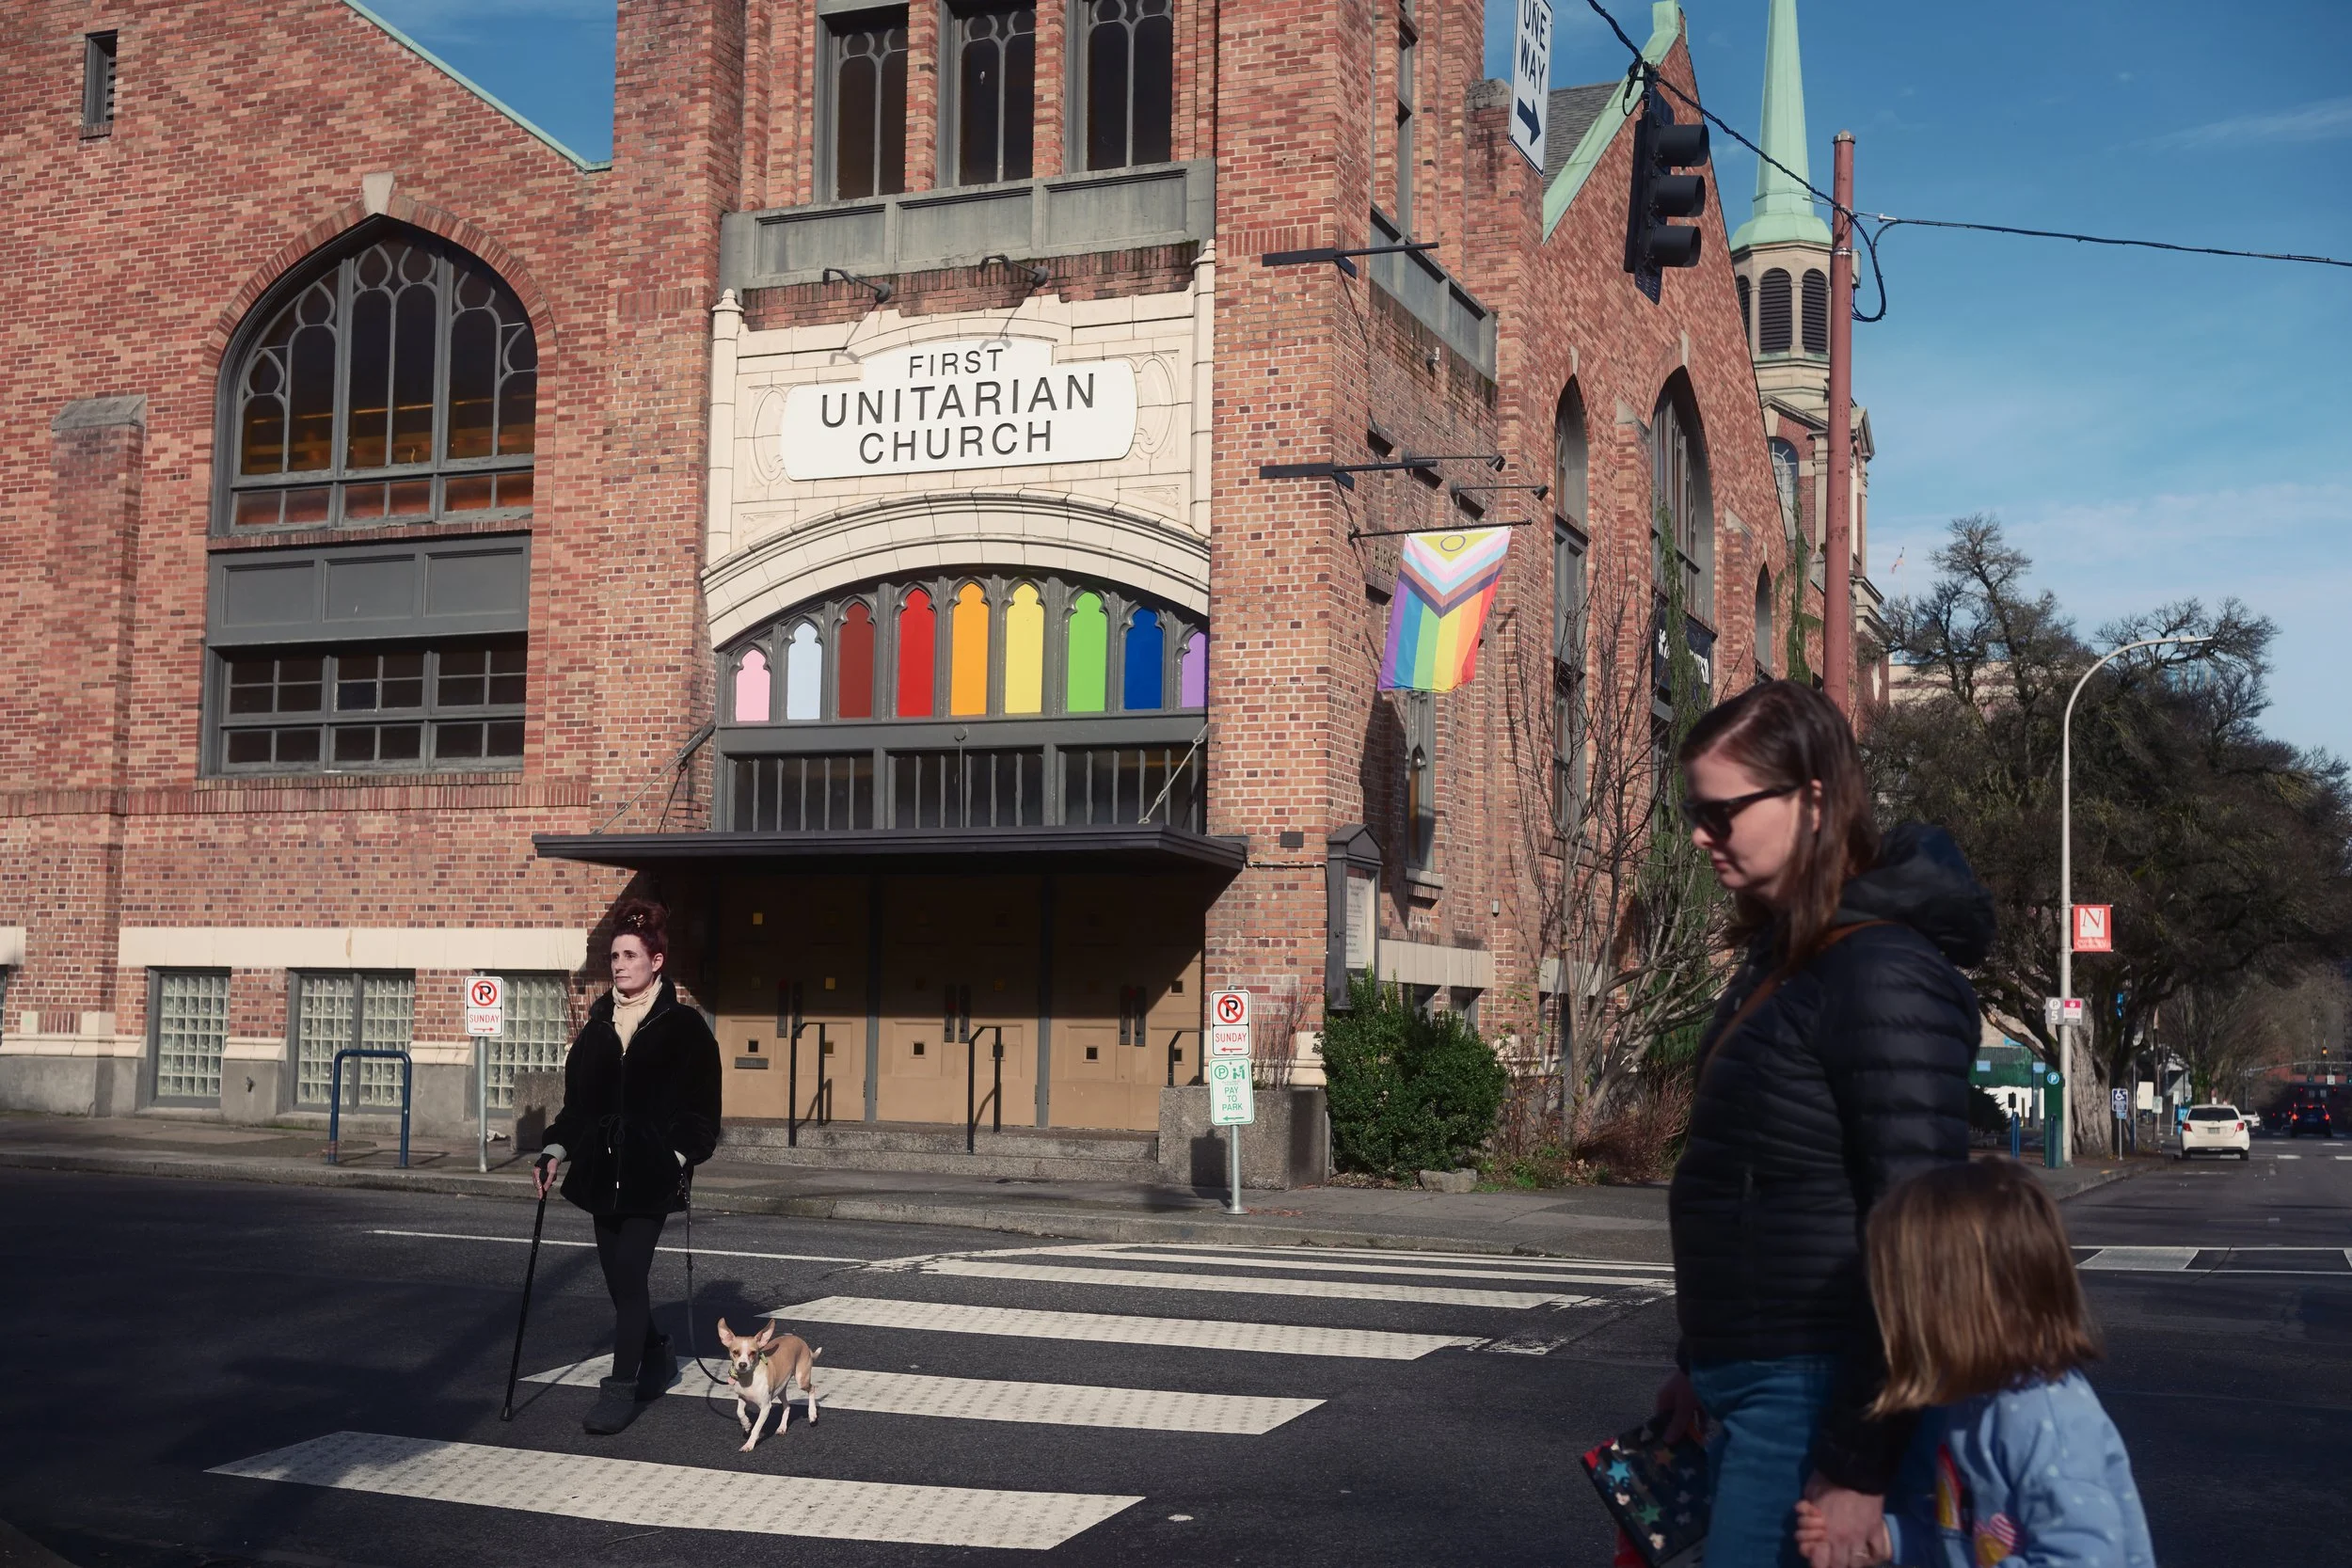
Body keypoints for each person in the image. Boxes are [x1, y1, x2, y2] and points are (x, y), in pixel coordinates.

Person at [1656, 680, 1994, 1568]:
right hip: (1753, 1378)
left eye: (1721, 812)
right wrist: (1697, 1360)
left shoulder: (1879, 970)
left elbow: (1919, 1232)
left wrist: (1857, 1464)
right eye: (1696, 810)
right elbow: (1746, 1180)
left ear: (1811, 801)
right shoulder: (1789, 958)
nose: (1700, 833)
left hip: (1814, 1392)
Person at [1794, 1159, 2153, 1568]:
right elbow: (1963, 1541)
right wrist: (1882, 1539)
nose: (1889, 1316)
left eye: (1900, 1294)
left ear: (1959, 1303)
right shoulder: (1965, 1405)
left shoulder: (2048, 1422)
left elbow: (2086, 1559)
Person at [535, 899, 723, 1434]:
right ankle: (659, 1353)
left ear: (656, 961)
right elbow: (577, 1109)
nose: (618, 964)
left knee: (631, 1274)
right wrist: (554, 1151)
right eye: (614, 955)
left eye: (629, 955)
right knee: (619, 1282)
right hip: (598, 1173)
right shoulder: (596, 1027)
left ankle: (621, 1387)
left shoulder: (685, 1027)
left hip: (651, 1176)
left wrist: (674, 1157)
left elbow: (702, 1114)